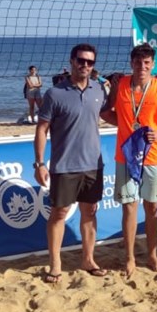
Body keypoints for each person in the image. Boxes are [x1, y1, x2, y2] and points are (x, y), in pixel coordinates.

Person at [33, 43, 108, 284]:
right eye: (81, 61)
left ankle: (88, 259)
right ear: (72, 61)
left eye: (90, 62)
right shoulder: (55, 93)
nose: (85, 65)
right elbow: (41, 129)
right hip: (64, 165)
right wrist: (39, 164)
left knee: (90, 212)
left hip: (93, 164)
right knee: (59, 214)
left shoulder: (99, 90)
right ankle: (55, 264)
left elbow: (108, 115)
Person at [101, 44, 157, 275]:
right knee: (129, 208)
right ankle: (130, 257)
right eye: (137, 62)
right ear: (131, 63)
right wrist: (125, 127)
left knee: (152, 207)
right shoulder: (120, 84)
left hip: (153, 157)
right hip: (126, 156)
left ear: (153, 65)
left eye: (146, 63)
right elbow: (105, 112)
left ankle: (152, 255)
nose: (141, 67)